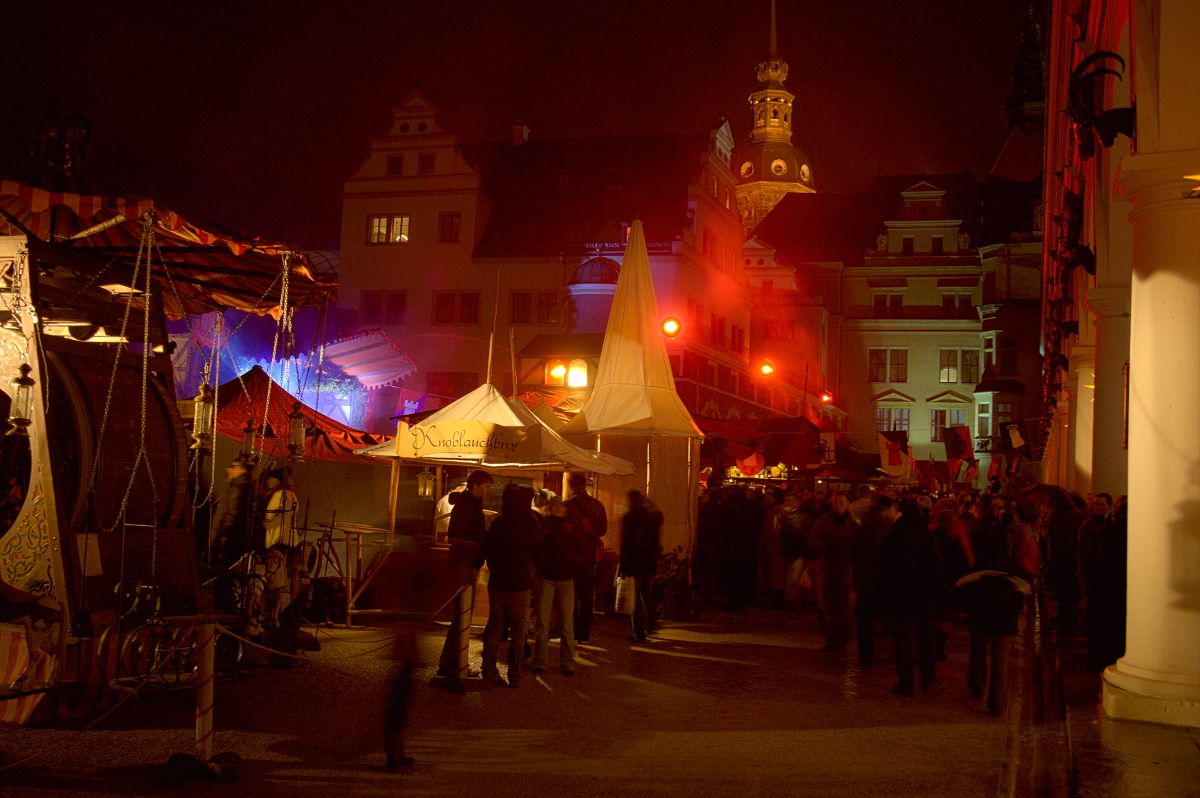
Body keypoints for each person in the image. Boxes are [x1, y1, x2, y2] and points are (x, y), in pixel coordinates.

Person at [472, 483, 542, 687]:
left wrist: (475, 566)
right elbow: (539, 546)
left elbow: (485, 549)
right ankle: (515, 675)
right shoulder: (529, 525)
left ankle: (489, 671)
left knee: (494, 629)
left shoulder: (499, 523)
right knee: (518, 633)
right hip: (520, 584)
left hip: (498, 582)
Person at [877, 499, 943, 696]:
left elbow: (882, 568)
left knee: (903, 641)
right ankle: (928, 678)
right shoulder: (927, 538)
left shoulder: (893, 537)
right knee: (926, 639)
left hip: (901, 596)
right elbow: (937, 568)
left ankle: (906, 683)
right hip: (924, 596)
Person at [437, 469, 493, 682]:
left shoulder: (466, 504)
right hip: (464, 563)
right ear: (476, 485)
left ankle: (451, 662)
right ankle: (454, 664)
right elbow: (464, 536)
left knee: (462, 615)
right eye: (486, 487)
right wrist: (481, 547)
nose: (488, 491)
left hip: (464, 561)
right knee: (462, 615)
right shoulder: (468, 506)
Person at [532, 496, 586, 675]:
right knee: (545, 622)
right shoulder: (546, 525)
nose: (558, 508)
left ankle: (566, 663)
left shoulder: (570, 526)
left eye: (560, 505)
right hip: (548, 577)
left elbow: (581, 549)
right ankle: (541, 662)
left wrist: (573, 567)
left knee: (564, 623)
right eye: (555, 505)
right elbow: (537, 549)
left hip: (563, 578)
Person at [853, 494, 896, 667]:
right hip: (876, 577)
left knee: (865, 619)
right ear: (886, 508)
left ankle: (866, 656)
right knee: (875, 619)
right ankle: (872, 656)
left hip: (864, 577)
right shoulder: (881, 524)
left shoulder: (867, 521)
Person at [809, 491, 855, 652]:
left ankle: (842, 635)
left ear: (848, 503)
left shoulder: (853, 522)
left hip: (846, 568)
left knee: (843, 604)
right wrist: (824, 546)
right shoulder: (824, 521)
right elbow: (814, 541)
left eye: (841, 502)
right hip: (827, 567)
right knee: (829, 605)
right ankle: (833, 637)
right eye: (835, 502)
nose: (838, 505)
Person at [565, 472, 607, 643]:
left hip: (571, 557)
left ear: (571, 485)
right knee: (587, 596)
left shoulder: (567, 505)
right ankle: (584, 634)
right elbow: (602, 530)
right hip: (590, 557)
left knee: (572, 596)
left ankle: (572, 632)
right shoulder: (598, 505)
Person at [620, 490, 663, 642]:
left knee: (636, 596)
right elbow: (659, 516)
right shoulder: (652, 517)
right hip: (649, 562)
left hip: (634, 562)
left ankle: (639, 630)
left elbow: (625, 545)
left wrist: (623, 567)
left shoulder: (629, 517)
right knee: (646, 592)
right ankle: (651, 621)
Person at [260, 467, 297, 550]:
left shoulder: (278, 494)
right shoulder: (293, 495)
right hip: (290, 536)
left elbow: (268, 515)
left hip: (276, 536)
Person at [433, 480, 468, 545]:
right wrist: (447, 535)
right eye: (466, 488)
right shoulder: (448, 501)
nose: (467, 491)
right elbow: (446, 520)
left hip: (447, 534)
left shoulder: (449, 499)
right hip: (445, 536)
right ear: (459, 488)